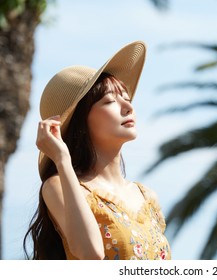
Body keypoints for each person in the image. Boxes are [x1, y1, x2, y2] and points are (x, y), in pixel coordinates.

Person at [23, 41, 171, 260]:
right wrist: (62, 160)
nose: (128, 107)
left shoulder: (148, 197)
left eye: (127, 99)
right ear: (81, 121)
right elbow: (91, 253)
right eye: (110, 101)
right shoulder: (58, 186)